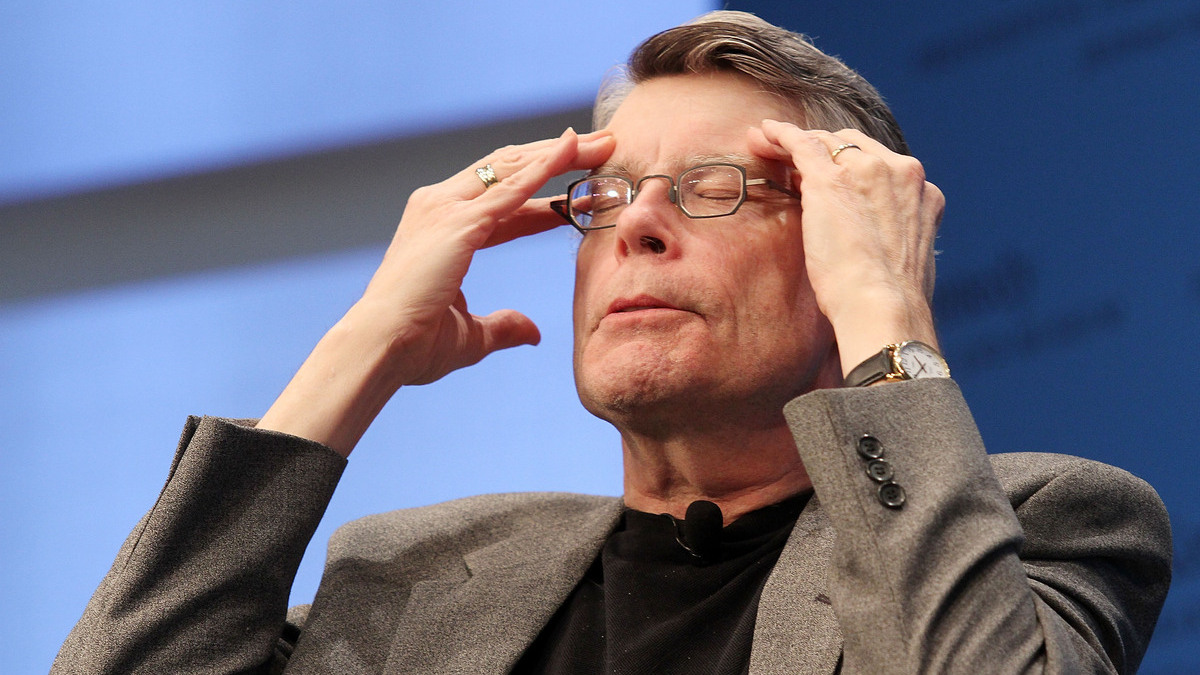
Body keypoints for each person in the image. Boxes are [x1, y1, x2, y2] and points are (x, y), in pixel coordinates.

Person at [53, 11, 1170, 675]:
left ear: (844, 248)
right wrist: (362, 348)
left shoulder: (1052, 523)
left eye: (715, 188)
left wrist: (885, 315)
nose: (634, 223)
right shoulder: (410, 578)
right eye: (610, 194)